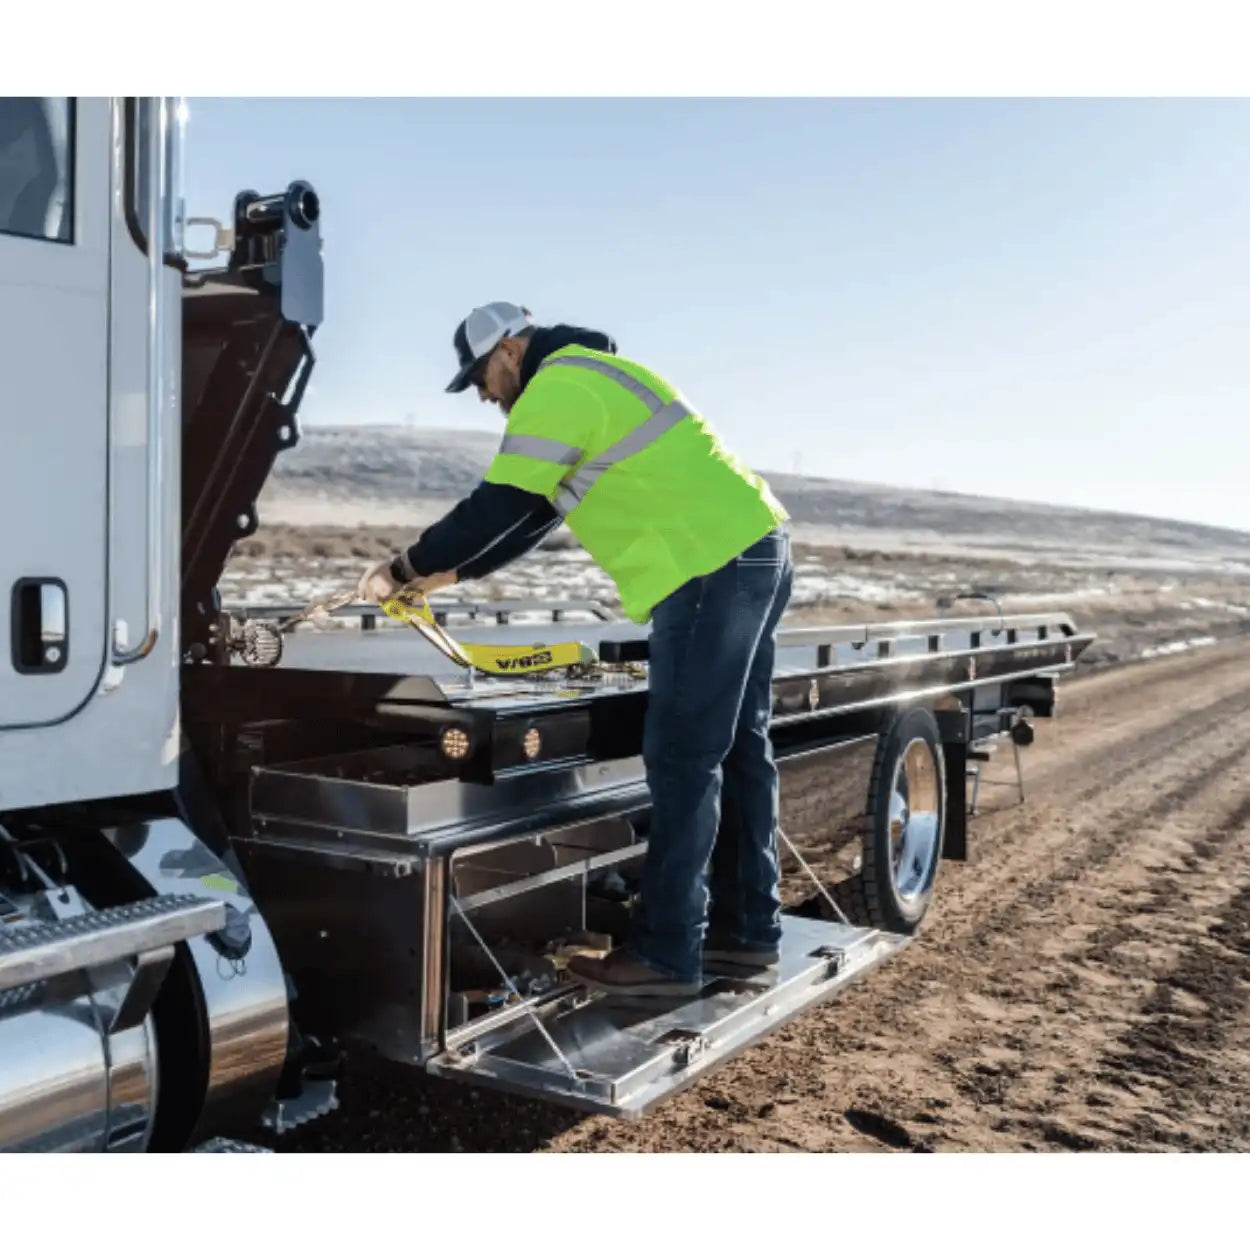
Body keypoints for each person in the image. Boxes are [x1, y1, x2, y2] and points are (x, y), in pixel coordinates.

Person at [358, 302, 794, 997]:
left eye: (480, 377)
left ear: (508, 349)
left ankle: (664, 955)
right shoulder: (600, 376)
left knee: (684, 757)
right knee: (737, 748)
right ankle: (745, 935)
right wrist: (453, 573)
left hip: (708, 567)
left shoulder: (555, 387)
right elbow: (535, 514)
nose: (484, 395)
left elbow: (500, 502)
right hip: (750, 548)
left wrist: (405, 568)